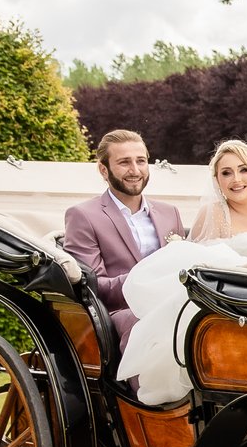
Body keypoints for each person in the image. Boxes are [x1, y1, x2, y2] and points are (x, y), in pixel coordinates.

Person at [115, 139, 247, 405]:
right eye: (226, 173)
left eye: (243, 170)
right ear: (217, 180)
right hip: (233, 298)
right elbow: (198, 265)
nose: (236, 179)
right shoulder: (216, 213)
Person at [61, 129, 187, 343]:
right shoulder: (82, 215)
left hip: (172, 304)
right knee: (144, 323)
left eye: (141, 161)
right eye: (124, 162)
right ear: (103, 169)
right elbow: (92, 286)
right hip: (118, 314)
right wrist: (146, 279)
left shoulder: (170, 213)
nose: (135, 170)